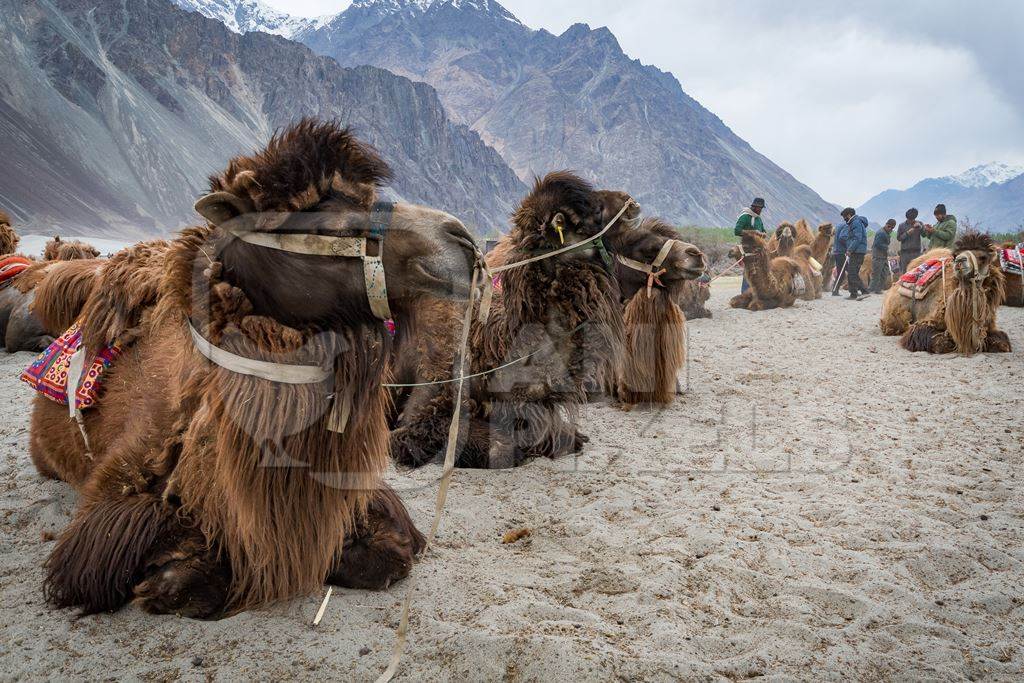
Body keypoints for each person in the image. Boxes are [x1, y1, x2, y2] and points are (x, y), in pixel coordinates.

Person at [734, 197, 766, 293]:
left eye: (761, 208)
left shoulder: (758, 219)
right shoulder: (745, 216)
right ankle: (745, 293)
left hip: (758, 249)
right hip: (747, 248)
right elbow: (737, 231)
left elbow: (763, 230)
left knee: (760, 270)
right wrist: (753, 232)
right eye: (759, 208)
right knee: (749, 269)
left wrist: (763, 233)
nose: (760, 210)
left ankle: (756, 291)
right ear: (754, 207)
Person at [840, 207, 869, 299]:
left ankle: (864, 291)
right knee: (853, 273)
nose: (844, 219)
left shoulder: (855, 222)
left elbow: (857, 238)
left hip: (857, 251)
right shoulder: (855, 222)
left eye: (845, 217)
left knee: (852, 273)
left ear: (849, 215)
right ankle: (853, 294)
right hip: (858, 251)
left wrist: (850, 249)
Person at [869, 219, 896, 293]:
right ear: (886, 225)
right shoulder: (881, 233)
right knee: (876, 274)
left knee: (884, 273)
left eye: (892, 228)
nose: (890, 229)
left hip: (883, 256)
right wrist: (887, 248)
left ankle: (878, 289)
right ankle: (871, 289)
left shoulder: (886, 233)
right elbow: (877, 244)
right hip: (878, 256)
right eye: (889, 227)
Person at [896, 208, 923, 274]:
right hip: (905, 254)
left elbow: (925, 235)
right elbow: (899, 238)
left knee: (916, 273)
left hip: (916, 253)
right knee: (904, 273)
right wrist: (907, 233)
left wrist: (921, 228)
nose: (910, 221)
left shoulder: (919, 224)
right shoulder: (901, 225)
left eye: (912, 219)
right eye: (909, 219)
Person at [831, 213, 851, 296]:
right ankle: (835, 290)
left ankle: (835, 290)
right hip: (841, 252)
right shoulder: (846, 226)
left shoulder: (839, 225)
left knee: (842, 272)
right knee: (845, 272)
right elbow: (843, 237)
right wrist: (849, 246)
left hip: (836, 251)